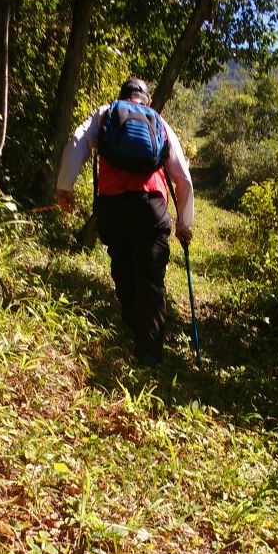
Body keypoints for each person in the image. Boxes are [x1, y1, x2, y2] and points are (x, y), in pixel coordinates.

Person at [56, 77, 194, 369]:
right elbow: (181, 175)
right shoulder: (158, 121)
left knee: (122, 266)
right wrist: (185, 223)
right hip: (151, 208)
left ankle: (133, 328)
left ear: (123, 96)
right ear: (145, 99)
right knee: (151, 278)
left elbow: (78, 141)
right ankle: (150, 354)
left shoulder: (106, 113)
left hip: (113, 208)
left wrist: (64, 186)